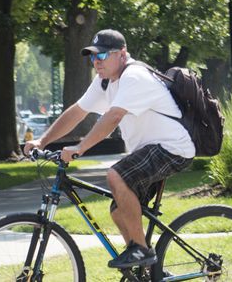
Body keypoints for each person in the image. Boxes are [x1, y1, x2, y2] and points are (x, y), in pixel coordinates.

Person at [24, 29, 194, 269]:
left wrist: (80, 148)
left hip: (172, 147)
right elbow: (78, 112)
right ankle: (146, 268)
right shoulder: (105, 81)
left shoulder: (134, 76)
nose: (96, 62)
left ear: (122, 54)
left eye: (102, 56)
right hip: (149, 149)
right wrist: (42, 141)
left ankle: (141, 251)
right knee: (117, 210)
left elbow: (113, 117)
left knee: (116, 175)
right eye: (92, 57)